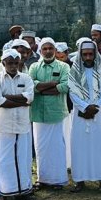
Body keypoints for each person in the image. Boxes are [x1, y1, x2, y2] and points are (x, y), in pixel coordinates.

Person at [0, 49, 35, 200]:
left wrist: (9, 98)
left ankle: (25, 191)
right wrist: (20, 100)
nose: (13, 66)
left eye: (16, 63)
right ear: (3, 63)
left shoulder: (26, 78)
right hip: (4, 125)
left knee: (23, 158)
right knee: (3, 159)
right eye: (9, 63)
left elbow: (30, 98)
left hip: (22, 124)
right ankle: (4, 192)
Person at [68, 39, 101, 189]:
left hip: (99, 113)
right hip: (80, 114)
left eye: (90, 54)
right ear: (80, 54)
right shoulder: (74, 70)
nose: (88, 57)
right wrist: (85, 107)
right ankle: (80, 180)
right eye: (85, 54)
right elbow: (72, 92)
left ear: (95, 54)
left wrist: (96, 107)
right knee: (79, 146)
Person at [29, 38, 71, 189]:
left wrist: (42, 88)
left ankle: (58, 180)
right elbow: (30, 85)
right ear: (40, 51)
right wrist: (52, 84)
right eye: (44, 49)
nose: (47, 51)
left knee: (57, 148)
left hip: (56, 113)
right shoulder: (34, 66)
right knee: (41, 148)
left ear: (55, 50)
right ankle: (43, 179)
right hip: (38, 113)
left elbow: (66, 86)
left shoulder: (63, 66)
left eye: (50, 48)